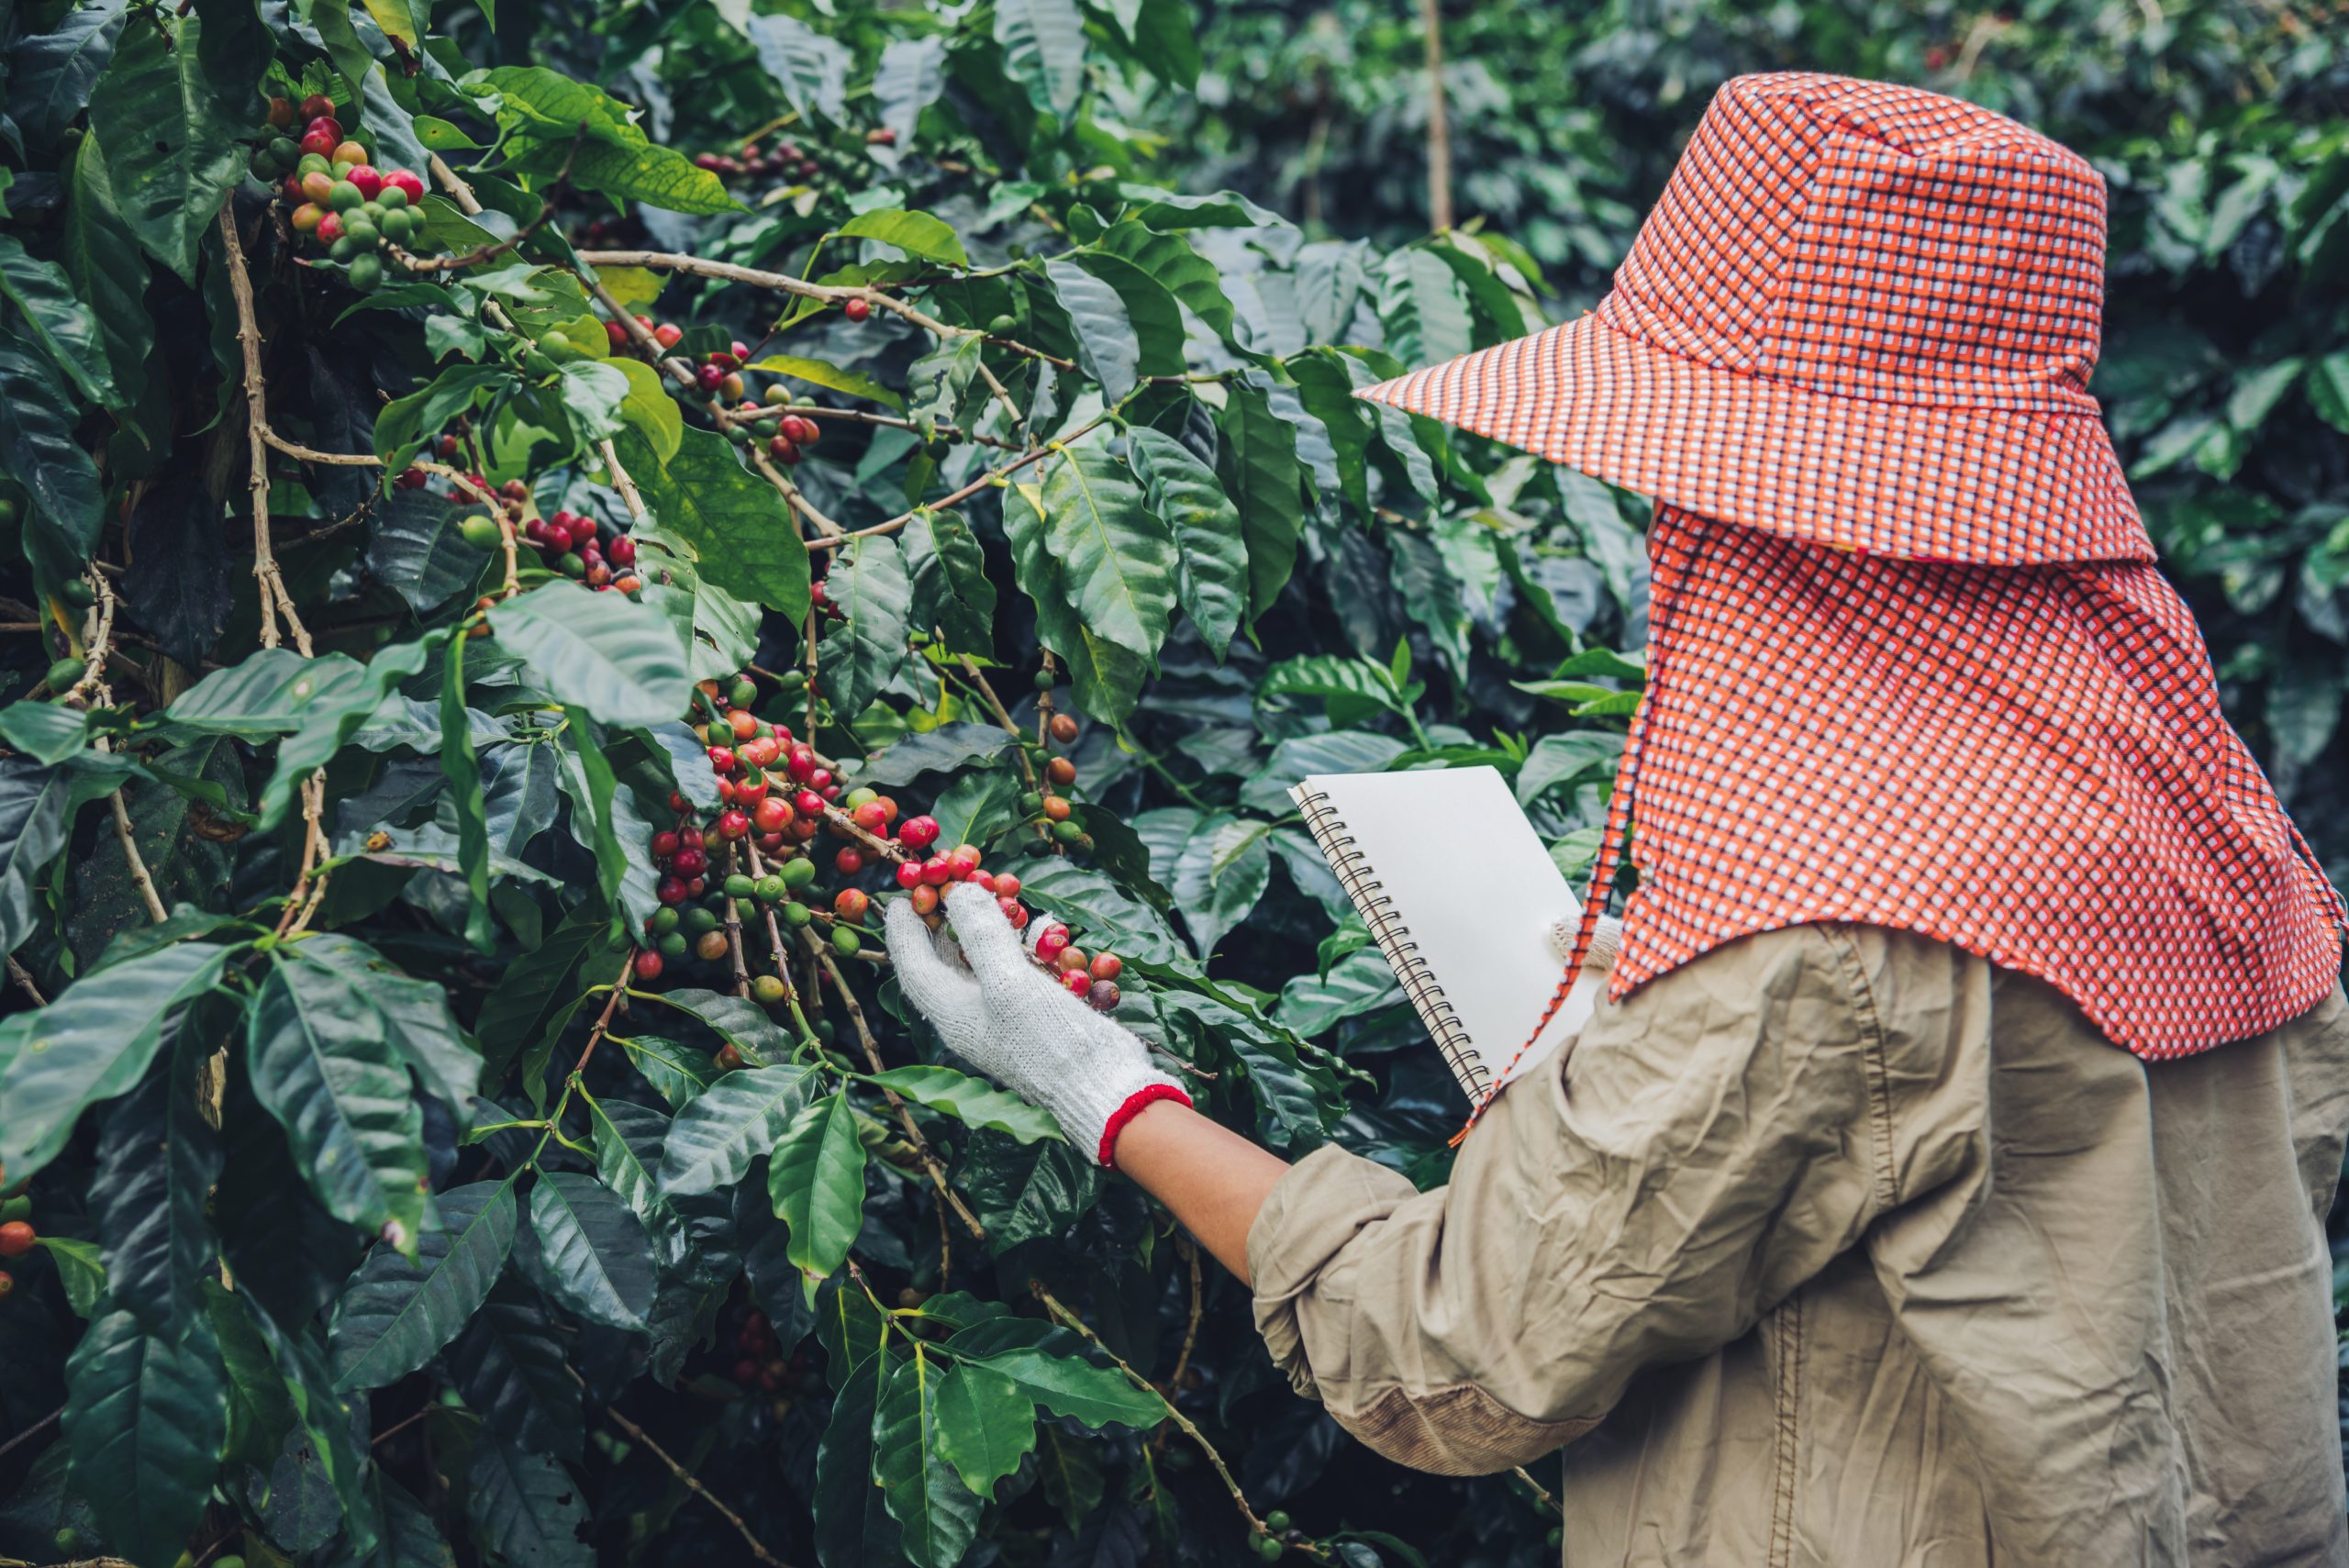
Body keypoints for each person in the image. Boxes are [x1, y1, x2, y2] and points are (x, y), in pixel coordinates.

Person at [884, 72, 2349, 1566]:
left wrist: (1099, 1085)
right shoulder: (2206, 806)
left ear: (1770, 508)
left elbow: (1450, 1353)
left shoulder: (1833, 928)